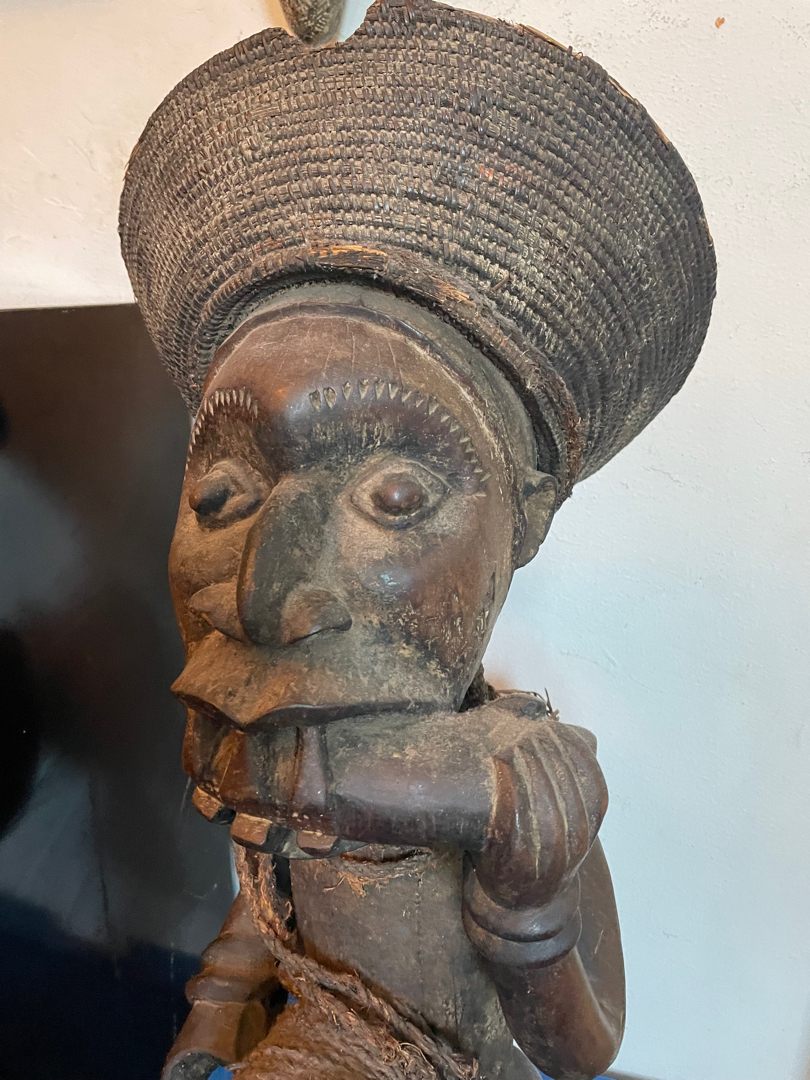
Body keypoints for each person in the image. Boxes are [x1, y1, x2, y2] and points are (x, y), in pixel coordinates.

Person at [118, 2, 715, 1077]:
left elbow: (583, 1051)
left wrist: (528, 895)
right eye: (223, 493)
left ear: (523, 520)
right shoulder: (271, 752)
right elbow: (270, 880)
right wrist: (218, 1004)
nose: (264, 598)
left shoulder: (515, 781)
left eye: (394, 495)